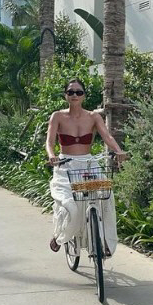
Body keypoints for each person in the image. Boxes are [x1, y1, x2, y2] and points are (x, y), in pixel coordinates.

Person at [45, 78, 127, 255]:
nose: (75, 95)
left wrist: (118, 151)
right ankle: (60, 236)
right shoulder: (57, 116)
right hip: (65, 165)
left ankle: (105, 242)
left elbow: (107, 136)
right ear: (66, 95)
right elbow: (50, 142)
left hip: (89, 165)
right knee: (70, 207)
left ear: (84, 96)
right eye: (71, 92)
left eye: (78, 92)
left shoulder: (93, 117)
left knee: (106, 197)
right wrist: (52, 156)